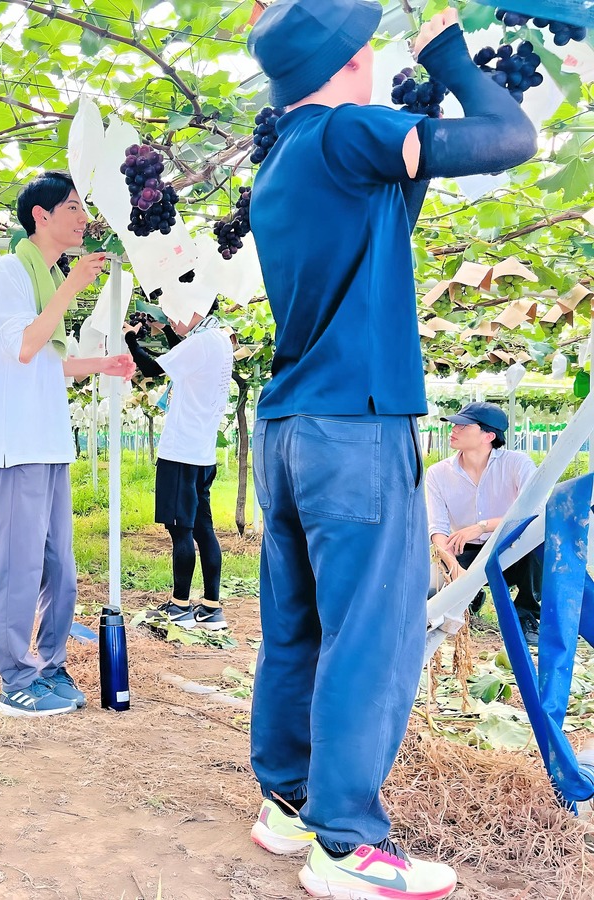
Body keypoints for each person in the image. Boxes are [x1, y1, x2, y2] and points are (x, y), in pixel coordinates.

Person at [245, 2, 536, 897]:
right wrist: (448, 50)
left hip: (289, 429)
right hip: (353, 427)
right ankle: (346, 844)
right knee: (372, 635)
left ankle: (289, 806)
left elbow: (389, 212)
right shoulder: (348, 134)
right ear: (347, 62)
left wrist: (425, 118)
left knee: (299, 625)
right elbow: (511, 136)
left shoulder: (283, 164)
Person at [0, 170, 135, 717]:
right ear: (40, 217)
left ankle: (49, 663)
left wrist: (103, 364)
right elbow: (22, 346)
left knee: (59, 568)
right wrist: (73, 288)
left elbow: (49, 361)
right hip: (15, 444)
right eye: (71, 207)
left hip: (48, 442)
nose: (82, 218)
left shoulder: (45, 279)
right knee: (19, 567)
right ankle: (15, 678)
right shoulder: (10, 274)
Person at [123, 305, 233, 630]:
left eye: (176, 311)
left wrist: (130, 340)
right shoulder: (218, 339)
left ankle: (180, 607)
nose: (172, 318)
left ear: (196, 307)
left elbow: (153, 369)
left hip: (181, 453)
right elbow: (184, 354)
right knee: (203, 529)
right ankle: (211, 608)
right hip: (201, 454)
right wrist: (166, 331)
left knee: (180, 530)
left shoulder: (201, 343)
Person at [426, 401, 541, 645]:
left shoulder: (517, 464)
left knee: (537, 544)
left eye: (463, 426)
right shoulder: (437, 473)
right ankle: (470, 593)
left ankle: (526, 614)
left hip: (510, 547)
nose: (454, 429)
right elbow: (437, 529)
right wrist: (452, 564)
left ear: (488, 435)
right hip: (462, 550)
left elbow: (536, 512)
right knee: (428, 589)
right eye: (455, 424)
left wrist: (482, 526)